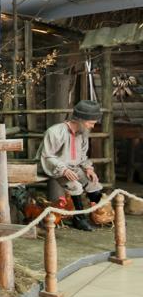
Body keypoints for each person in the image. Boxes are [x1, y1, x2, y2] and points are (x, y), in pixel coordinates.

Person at [37, 99, 103, 231]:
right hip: (53, 167)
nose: (92, 126)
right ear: (81, 120)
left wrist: (88, 168)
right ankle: (79, 219)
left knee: (93, 183)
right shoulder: (55, 132)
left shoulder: (83, 134)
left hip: (74, 167)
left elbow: (83, 156)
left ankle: (98, 214)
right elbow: (47, 156)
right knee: (75, 185)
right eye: (91, 123)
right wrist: (63, 169)